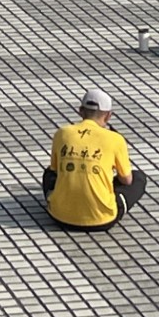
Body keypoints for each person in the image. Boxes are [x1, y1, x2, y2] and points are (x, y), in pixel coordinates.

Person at [44, 87, 146, 231]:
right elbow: (126, 180)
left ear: (80, 111)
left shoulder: (62, 133)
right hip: (101, 220)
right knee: (138, 178)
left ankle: (61, 201)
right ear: (108, 116)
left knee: (49, 174)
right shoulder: (115, 139)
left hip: (59, 217)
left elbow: (55, 170)